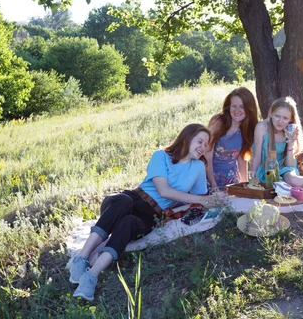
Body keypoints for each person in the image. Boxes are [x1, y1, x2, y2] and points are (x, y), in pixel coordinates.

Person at [69, 123, 227, 301]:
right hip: (132, 199)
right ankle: (81, 258)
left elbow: (199, 197)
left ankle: (91, 276)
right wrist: (201, 199)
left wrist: (214, 197)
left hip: (151, 215)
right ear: (187, 138)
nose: (203, 147)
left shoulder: (198, 167)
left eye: (206, 144)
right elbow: (164, 191)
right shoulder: (161, 156)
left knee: (128, 224)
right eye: (200, 141)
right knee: (123, 201)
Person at [205, 87, 259, 191]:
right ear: (228, 107)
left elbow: (242, 159)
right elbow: (207, 156)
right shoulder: (218, 122)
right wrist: (213, 184)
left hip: (231, 180)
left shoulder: (247, 128)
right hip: (209, 178)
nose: (237, 111)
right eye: (234, 106)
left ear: (249, 108)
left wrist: (244, 185)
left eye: (242, 107)